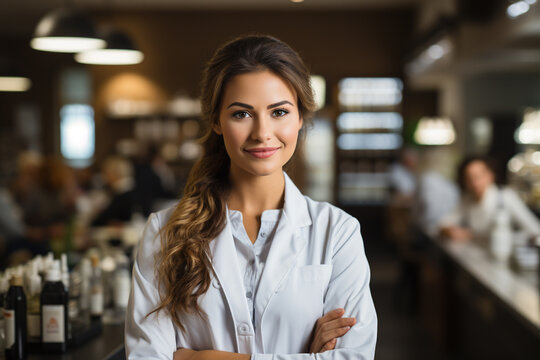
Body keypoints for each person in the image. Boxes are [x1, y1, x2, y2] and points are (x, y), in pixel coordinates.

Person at [125, 35, 377, 360]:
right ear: (216, 120)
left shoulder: (338, 232)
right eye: (242, 114)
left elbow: (353, 357)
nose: (262, 132)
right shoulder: (164, 231)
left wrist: (197, 357)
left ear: (300, 118)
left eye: (279, 112)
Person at [439, 156, 540, 245]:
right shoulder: (467, 199)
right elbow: (444, 223)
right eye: (469, 178)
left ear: (490, 175)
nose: (475, 183)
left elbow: (533, 228)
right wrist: (451, 232)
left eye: (478, 177)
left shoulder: (505, 196)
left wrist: (511, 238)